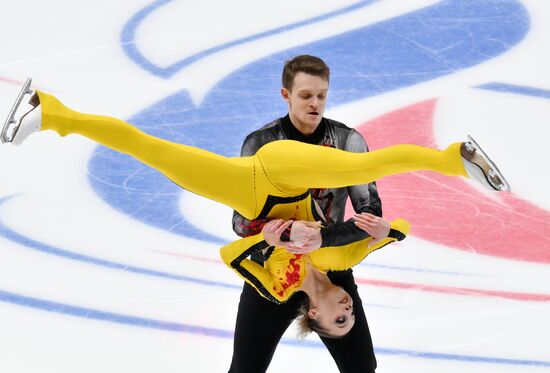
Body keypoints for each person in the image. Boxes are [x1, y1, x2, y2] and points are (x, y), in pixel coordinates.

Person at [2, 76, 509, 368]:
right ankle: (451, 158)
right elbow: (392, 229)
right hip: (286, 171)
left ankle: (52, 113)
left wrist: (271, 235)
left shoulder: (277, 286)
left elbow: (234, 252)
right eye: (351, 316)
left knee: (152, 150)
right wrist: (382, 229)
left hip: (247, 185)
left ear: (312, 315)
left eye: (339, 318)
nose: (349, 309)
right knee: (360, 165)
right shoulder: (339, 258)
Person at [228, 55, 384, 373]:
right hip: (274, 269)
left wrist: (322, 237)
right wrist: (276, 234)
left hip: (331, 272)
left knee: (362, 367)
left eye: (321, 95)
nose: (315, 104)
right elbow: (240, 222)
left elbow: (370, 212)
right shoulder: (261, 144)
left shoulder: (347, 142)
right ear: (286, 94)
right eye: (306, 95)